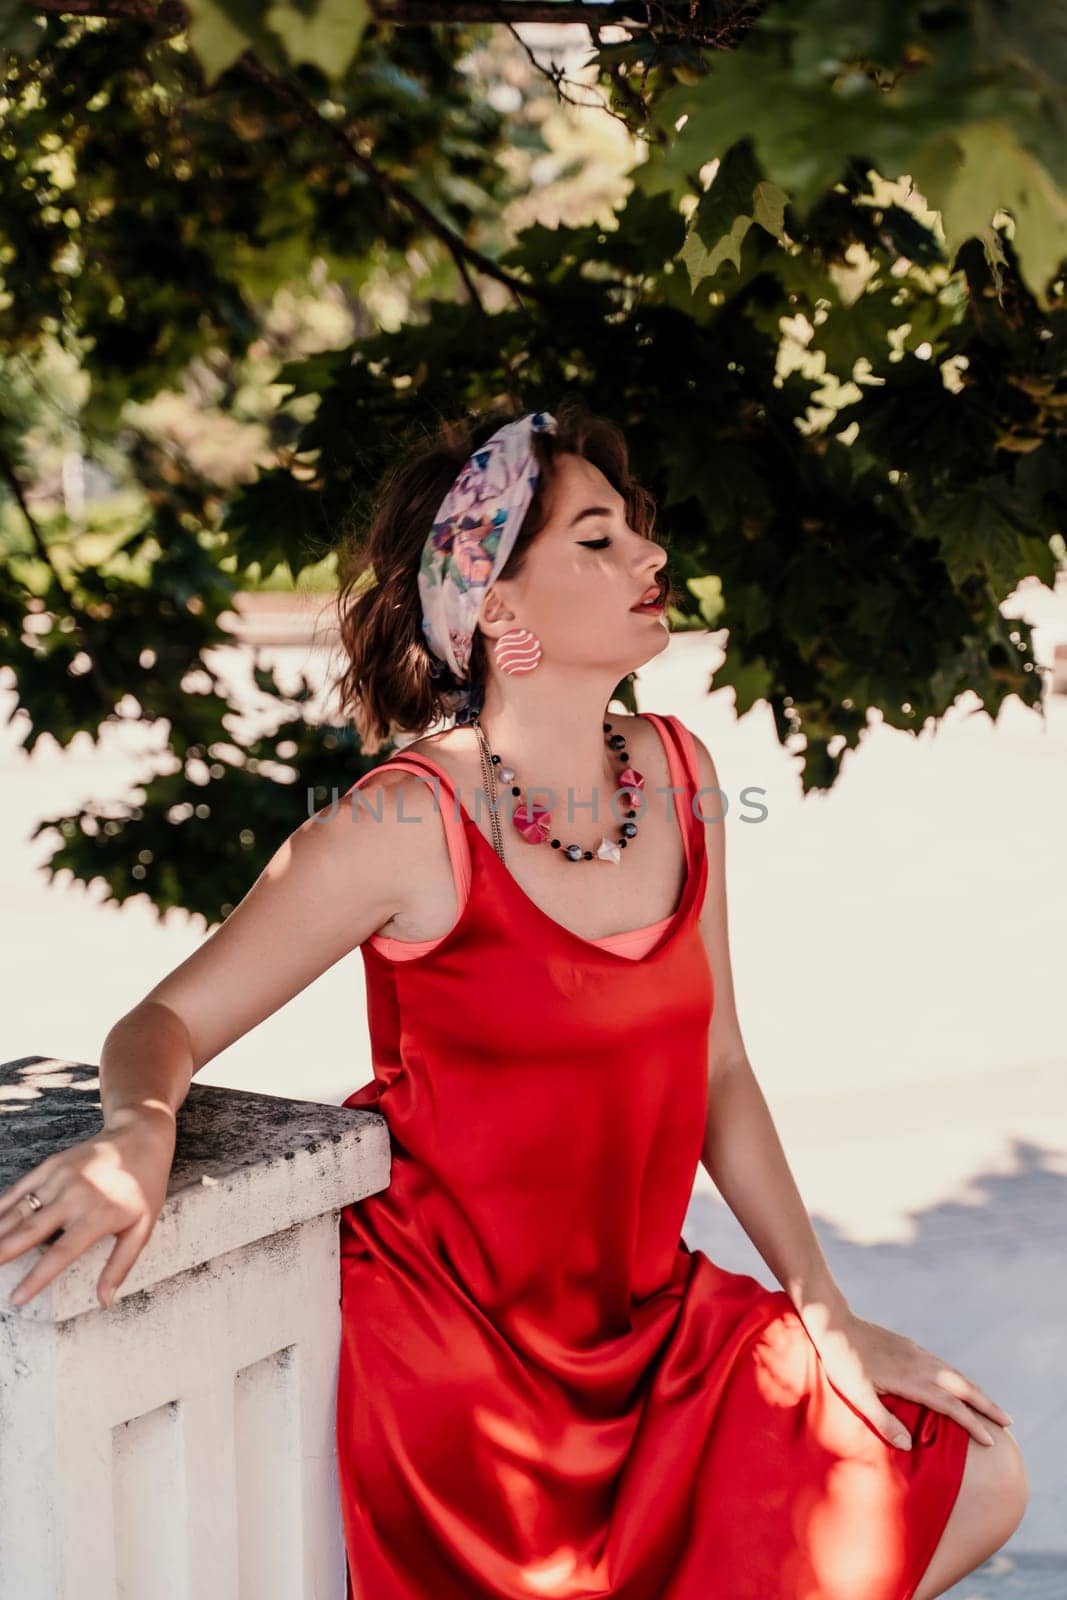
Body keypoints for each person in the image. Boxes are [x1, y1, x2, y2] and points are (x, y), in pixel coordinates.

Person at [0, 401, 1027, 1599]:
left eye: (636, 527)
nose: (648, 554)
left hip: (654, 1330)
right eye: (597, 537)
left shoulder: (677, 773)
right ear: (498, 603)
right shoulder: (403, 822)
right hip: (461, 1364)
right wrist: (139, 1132)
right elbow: (161, 1023)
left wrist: (827, 1312)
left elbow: (719, 1070)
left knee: (972, 1465)